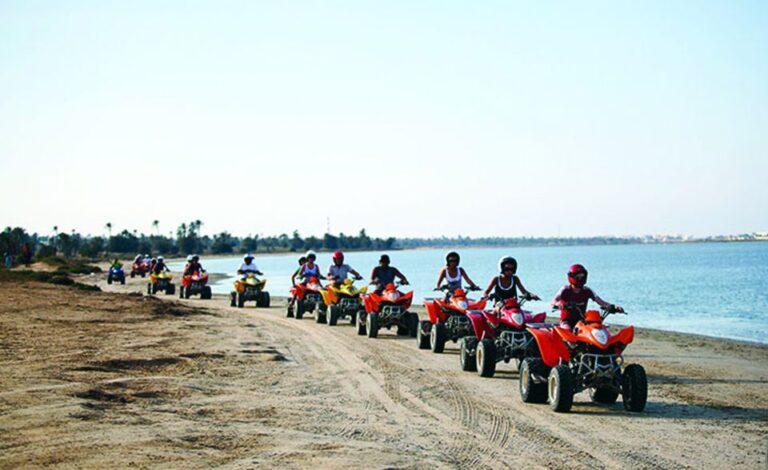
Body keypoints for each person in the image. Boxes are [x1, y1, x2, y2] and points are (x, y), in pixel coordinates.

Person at [551, 264, 624, 331]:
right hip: (566, 321)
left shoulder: (587, 290)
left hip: (582, 321)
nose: (580, 279)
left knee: (595, 331)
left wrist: (614, 307)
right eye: (578, 277)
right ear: (572, 277)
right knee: (567, 330)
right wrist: (558, 304)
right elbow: (553, 301)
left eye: (582, 277)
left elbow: (601, 302)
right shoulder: (565, 289)